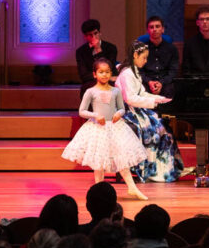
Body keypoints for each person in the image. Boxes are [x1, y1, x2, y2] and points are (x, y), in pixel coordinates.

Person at [62, 57, 149, 199]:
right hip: (98, 128)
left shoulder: (116, 91)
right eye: (101, 72)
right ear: (95, 74)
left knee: (122, 158)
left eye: (107, 72)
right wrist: (95, 115)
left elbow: (122, 108)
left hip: (115, 128)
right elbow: (82, 111)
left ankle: (132, 187)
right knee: (99, 161)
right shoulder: (91, 91)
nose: (104, 75)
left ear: (111, 73)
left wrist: (118, 114)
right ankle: (98, 191)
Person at [116, 40, 185, 182]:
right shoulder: (126, 73)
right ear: (135, 55)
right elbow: (130, 98)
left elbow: (142, 93)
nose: (146, 61)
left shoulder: (135, 72)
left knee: (164, 128)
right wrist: (153, 103)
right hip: (128, 112)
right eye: (144, 58)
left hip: (137, 109)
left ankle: (165, 169)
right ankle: (150, 169)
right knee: (154, 129)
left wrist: (159, 99)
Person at [137, 15, 180, 97]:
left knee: (171, 90)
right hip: (147, 82)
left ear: (162, 29)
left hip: (165, 82)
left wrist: (161, 83)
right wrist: (149, 82)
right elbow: (139, 70)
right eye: (151, 27)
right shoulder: (141, 49)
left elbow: (173, 71)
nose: (154, 29)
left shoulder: (172, 49)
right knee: (141, 90)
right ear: (148, 30)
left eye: (157, 26)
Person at [76, 19, 118, 98]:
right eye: (90, 35)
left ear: (99, 32)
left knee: (112, 88)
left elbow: (109, 68)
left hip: (109, 82)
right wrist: (103, 76)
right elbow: (84, 75)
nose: (94, 37)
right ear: (85, 36)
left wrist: (98, 49)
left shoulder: (111, 48)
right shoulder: (80, 52)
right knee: (89, 89)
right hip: (91, 82)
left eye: (96, 33)